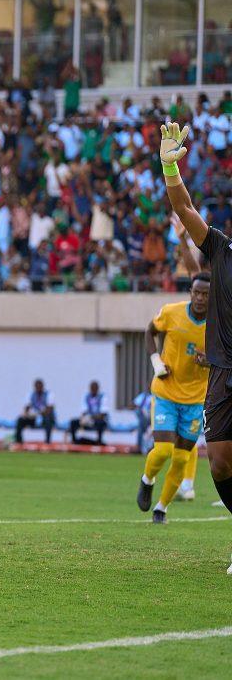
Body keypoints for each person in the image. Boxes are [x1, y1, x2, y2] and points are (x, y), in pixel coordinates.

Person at [159, 121, 232, 571]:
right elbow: (184, 209)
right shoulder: (222, 249)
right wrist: (170, 166)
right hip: (223, 370)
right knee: (221, 465)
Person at [137, 271, 209, 523]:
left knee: (180, 457)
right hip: (166, 391)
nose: (200, 298)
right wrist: (156, 361)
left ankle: (161, 508)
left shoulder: (220, 324)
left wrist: (210, 360)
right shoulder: (171, 312)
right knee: (163, 450)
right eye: (197, 292)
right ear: (190, 292)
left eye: (206, 294)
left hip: (195, 399)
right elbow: (149, 331)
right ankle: (147, 480)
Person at [68, 381, 109, 445]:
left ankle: (99, 441)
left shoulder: (103, 397)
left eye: (95, 388)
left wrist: (91, 417)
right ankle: (74, 441)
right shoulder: (86, 396)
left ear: (98, 388)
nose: (93, 390)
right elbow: (84, 411)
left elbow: (103, 414)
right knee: (73, 422)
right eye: (92, 388)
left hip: (98, 419)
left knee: (100, 423)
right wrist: (86, 418)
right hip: (88, 419)